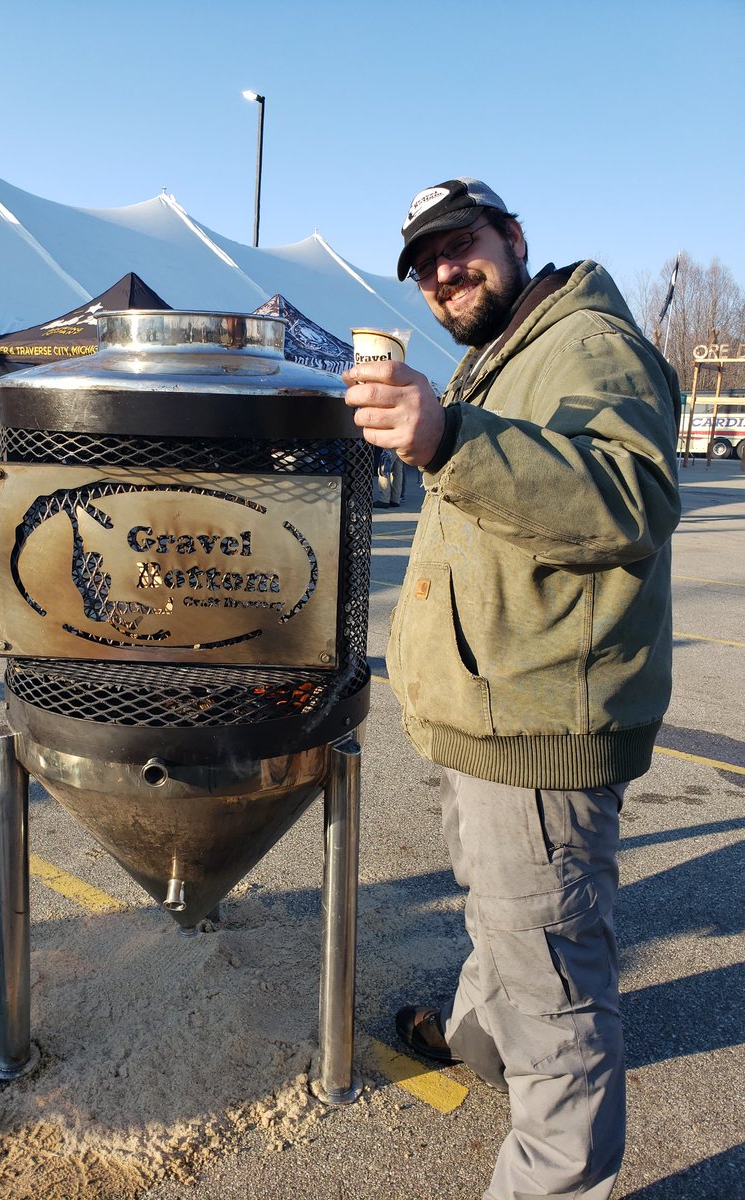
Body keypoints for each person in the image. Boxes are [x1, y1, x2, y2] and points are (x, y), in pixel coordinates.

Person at [343, 178, 681, 1200]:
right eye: (426, 263)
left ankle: (555, 1174)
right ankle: (473, 1043)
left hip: (539, 730)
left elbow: (633, 500)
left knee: (558, 1003)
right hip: (486, 724)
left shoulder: (588, 344)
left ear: (514, 238)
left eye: (462, 244)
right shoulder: (505, 357)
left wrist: (451, 438)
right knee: (506, 920)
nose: (445, 271)